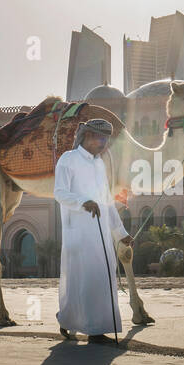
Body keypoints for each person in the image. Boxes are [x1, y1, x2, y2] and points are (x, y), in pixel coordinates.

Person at [52, 117, 133, 345]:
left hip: (101, 234)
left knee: (101, 277)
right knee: (82, 280)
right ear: (87, 136)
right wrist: (83, 201)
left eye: (106, 139)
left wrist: (121, 233)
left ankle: (97, 329)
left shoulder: (98, 164)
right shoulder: (68, 160)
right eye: (100, 138)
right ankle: (75, 323)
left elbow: (107, 201)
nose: (104, 144)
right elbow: (59, 193)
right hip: (78, 232)